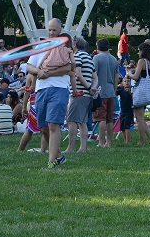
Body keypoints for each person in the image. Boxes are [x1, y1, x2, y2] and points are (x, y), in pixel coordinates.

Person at [27, 19, 75, 168]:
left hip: (59, 89)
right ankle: (58, 155)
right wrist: (39, 71)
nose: (52, 33)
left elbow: (69, 68)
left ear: (60, 30)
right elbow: (30, 66)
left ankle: (51, 162)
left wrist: (48, 73)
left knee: (54, 125)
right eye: (50, 30)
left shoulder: (65, 47)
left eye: (54, 30)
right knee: (44, 127)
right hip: (41, 90)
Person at [63, 36, 97, 155]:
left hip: (79, 93)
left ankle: (71, 148)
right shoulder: (89, 57)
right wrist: (92, 88)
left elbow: (77, 74)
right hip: (88, 95)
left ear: (75, 44)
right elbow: (95, 77)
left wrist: (87, 87)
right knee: (82, 122)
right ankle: (83, 147)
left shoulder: (77, 56)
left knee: (71, 121)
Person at [129, 42, 150, 146]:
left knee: (139, 118)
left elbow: (136, 77)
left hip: (140, 91)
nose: (138, 52)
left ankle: (141, 141)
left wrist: (129, 73)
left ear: (143, 51)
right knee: (141, 117)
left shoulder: (142, 61)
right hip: (147, 92)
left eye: (139, 50)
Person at [92, 38, 120, 148]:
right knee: (109, 118)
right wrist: (114, 89)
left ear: (97, 47)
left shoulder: (96, 59)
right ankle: (109, 142)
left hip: (100, 91)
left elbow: (94, 74)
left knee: (101, 118)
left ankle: (101, 142)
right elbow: (116, 76)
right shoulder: (113, 59)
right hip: (111, 91)